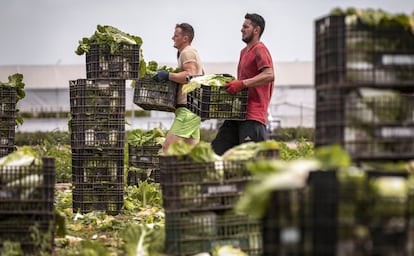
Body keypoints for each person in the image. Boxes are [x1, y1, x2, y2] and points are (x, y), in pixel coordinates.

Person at [211, 13, 275, 156]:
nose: (241, 29)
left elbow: (269, 75)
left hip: (253, 115)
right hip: (238, 113)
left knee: (251, 162)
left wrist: (242, 83)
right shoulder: (243, 52)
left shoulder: (260, 49)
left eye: (246, 27)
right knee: (216, 152)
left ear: (256, 30)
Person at [153, 23, 204, 153]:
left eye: (176, 35)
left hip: (188, 110)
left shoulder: (187, 52)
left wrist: (168, 75)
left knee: (168, 147)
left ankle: (167, 174)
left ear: (185, 38)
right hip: (193, 109)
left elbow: (190, 75)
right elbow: (200, 75)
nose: (172, 38)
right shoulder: (191, 53)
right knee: (188, 156)